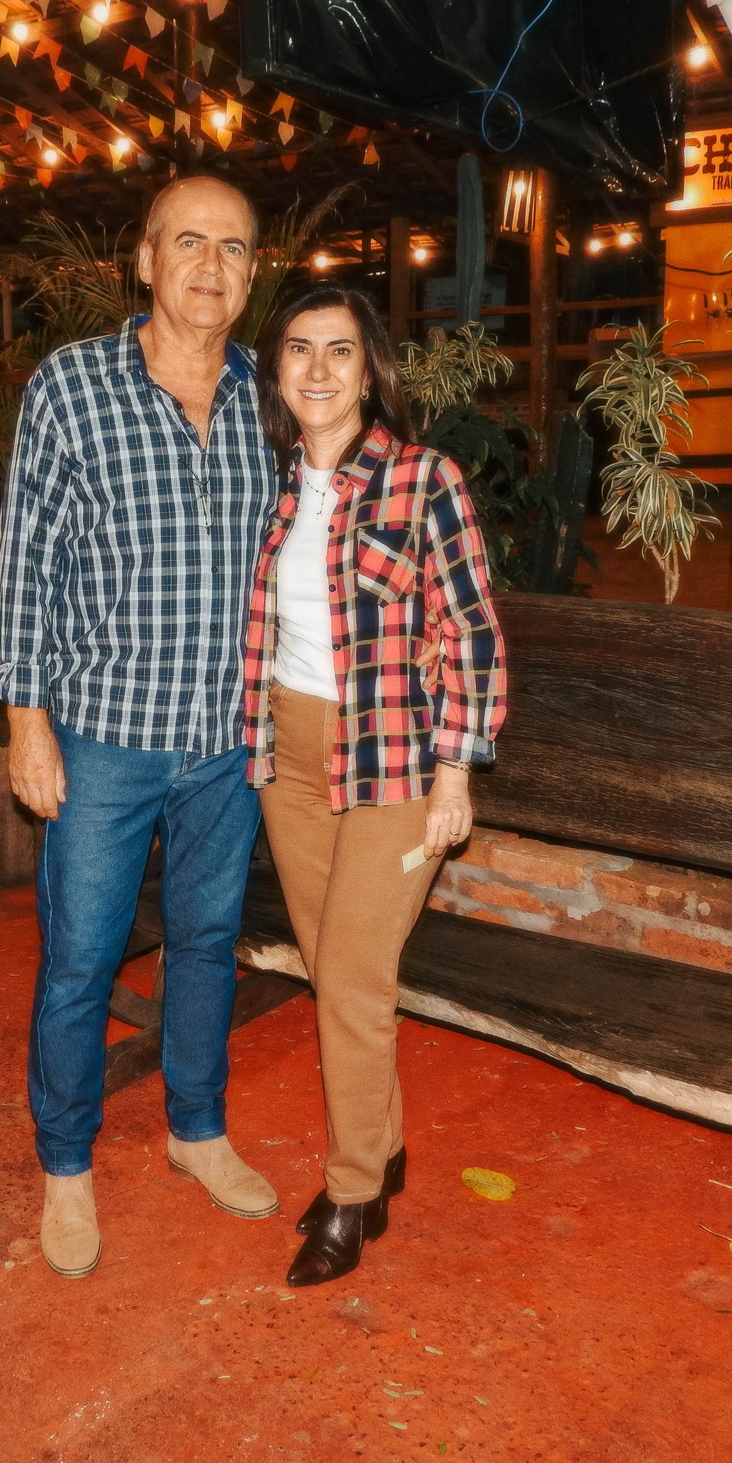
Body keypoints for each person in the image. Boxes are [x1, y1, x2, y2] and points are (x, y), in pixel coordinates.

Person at [0, 176, 283, 1279]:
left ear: (252, 275)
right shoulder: (72, 386)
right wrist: (26, 722)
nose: (210, 265)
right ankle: (66, 1165)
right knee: (80, 957)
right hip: (103, 735)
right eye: (188, 242)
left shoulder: (270, 396)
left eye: (233, 247)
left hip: (227, 742)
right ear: (146, 260)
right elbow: (26, 563)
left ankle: (195, 1131)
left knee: (207, 942)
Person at [242, 284, 506, 1287]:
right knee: (333, 972)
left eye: (339, 351)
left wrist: (456, 773)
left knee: (352, 977)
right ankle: (384, 1150)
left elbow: (470, 629)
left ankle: (353, 1193)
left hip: (394, 753)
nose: (316, 369)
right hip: (290, 755)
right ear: (276, 370)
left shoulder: (422, 479)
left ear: (369, 371)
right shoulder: (268, 487)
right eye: (297, 349)